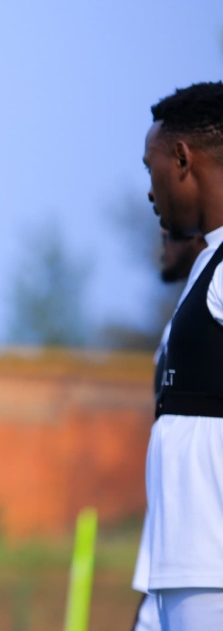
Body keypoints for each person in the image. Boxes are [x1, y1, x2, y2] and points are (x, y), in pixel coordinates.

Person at [137, 80, 223, 631]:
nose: (150, 191)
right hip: (182, 565)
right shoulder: (207, 266)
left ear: (183, 158)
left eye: (152, 170)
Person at [132, 228, 206, 631]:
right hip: (169, 556)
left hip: (203, 561)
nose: (161, 233)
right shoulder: (181, 323)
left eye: (172, 231)